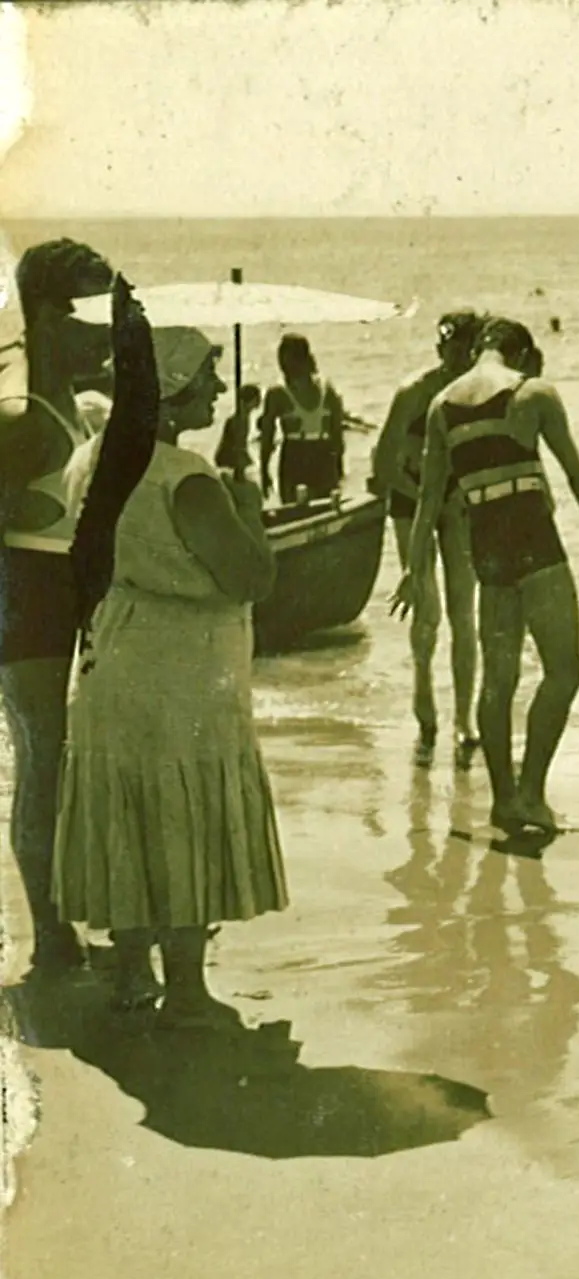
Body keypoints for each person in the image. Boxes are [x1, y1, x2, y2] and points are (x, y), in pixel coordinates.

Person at [55, 297, 288, 1026]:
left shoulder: (89, 457)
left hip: (109, 659)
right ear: (173, 389)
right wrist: (246, 507)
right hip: (181, 674)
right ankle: (185, 988)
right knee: (181, 813)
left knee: (129, 811)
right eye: (209, 379)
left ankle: (130, 971)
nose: (221, 391)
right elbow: (249, 578)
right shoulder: (184, 476)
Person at [393, 318, 579, 834]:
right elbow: (576, 477)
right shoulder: (533, 393)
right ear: (523, 353)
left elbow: (427, 500)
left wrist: (414, 570)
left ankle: (504, 800)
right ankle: (531, 794)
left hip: (485, 544)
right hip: (532, 537)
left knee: (498, 679)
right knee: (565, 670)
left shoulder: (442, 405)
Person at [0, 237, 116, 980]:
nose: (105, 331)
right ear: (47, 311)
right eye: (92, 313)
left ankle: (64, 917)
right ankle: (48, 933)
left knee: (62, 761)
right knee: (43, 761)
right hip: (25, 599)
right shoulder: (18, 416)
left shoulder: (68, 405)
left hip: (59, 594)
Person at [371, 309, 485, 769]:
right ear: (439, 349)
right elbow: (382, 468)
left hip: (457, 503)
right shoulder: (413, 393)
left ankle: (464, 718)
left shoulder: (479, 393)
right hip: (410, 495)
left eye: (468, 351)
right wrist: (426, 500)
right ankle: (423, 698)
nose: (459, 359)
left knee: (464, 609)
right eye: (452, 350)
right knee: (428, 608)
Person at [257, 332, 346, 503]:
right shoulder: (280, 393)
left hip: (301, 455)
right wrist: (339, 465)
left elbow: (267, 438)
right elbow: (337, 434)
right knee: (317, 507)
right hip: (314, 453)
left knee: (304, 509)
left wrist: (264, 471)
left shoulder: (324, 390)